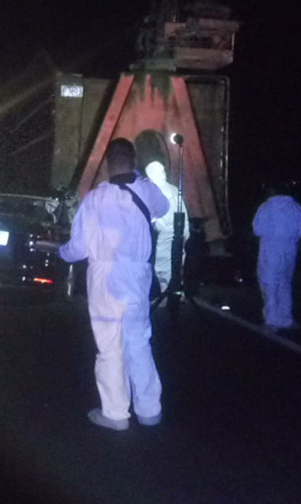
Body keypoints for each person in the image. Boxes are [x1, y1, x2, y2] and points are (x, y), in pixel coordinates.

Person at [59, 138, 169, 431]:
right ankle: (149, 410)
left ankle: (116, 413)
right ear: (133, 161)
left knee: (109, 344)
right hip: (137, 276)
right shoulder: (145, 189)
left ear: (106, 164)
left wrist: (59, 252)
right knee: (139, 342)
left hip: (105, 279)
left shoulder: (95, 199)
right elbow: (164, 206)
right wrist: (140, 180)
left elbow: (78, 249)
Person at [252, 182, 301, 332]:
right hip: (290, 250)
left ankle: (272, 321)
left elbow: (257, 230)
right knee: (285, 283)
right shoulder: (296, 207)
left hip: (270, 250)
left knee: (269, 284)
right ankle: (286, 319)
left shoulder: (266, 208)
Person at [145, 161, 189, 295]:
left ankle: (168, 295)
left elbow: (159, 218)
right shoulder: (173, 188)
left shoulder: (156, 190)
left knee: (163, 264)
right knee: (177, 262)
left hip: (168, 231)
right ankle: (176, 293)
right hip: (182, 229)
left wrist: (153, 224)